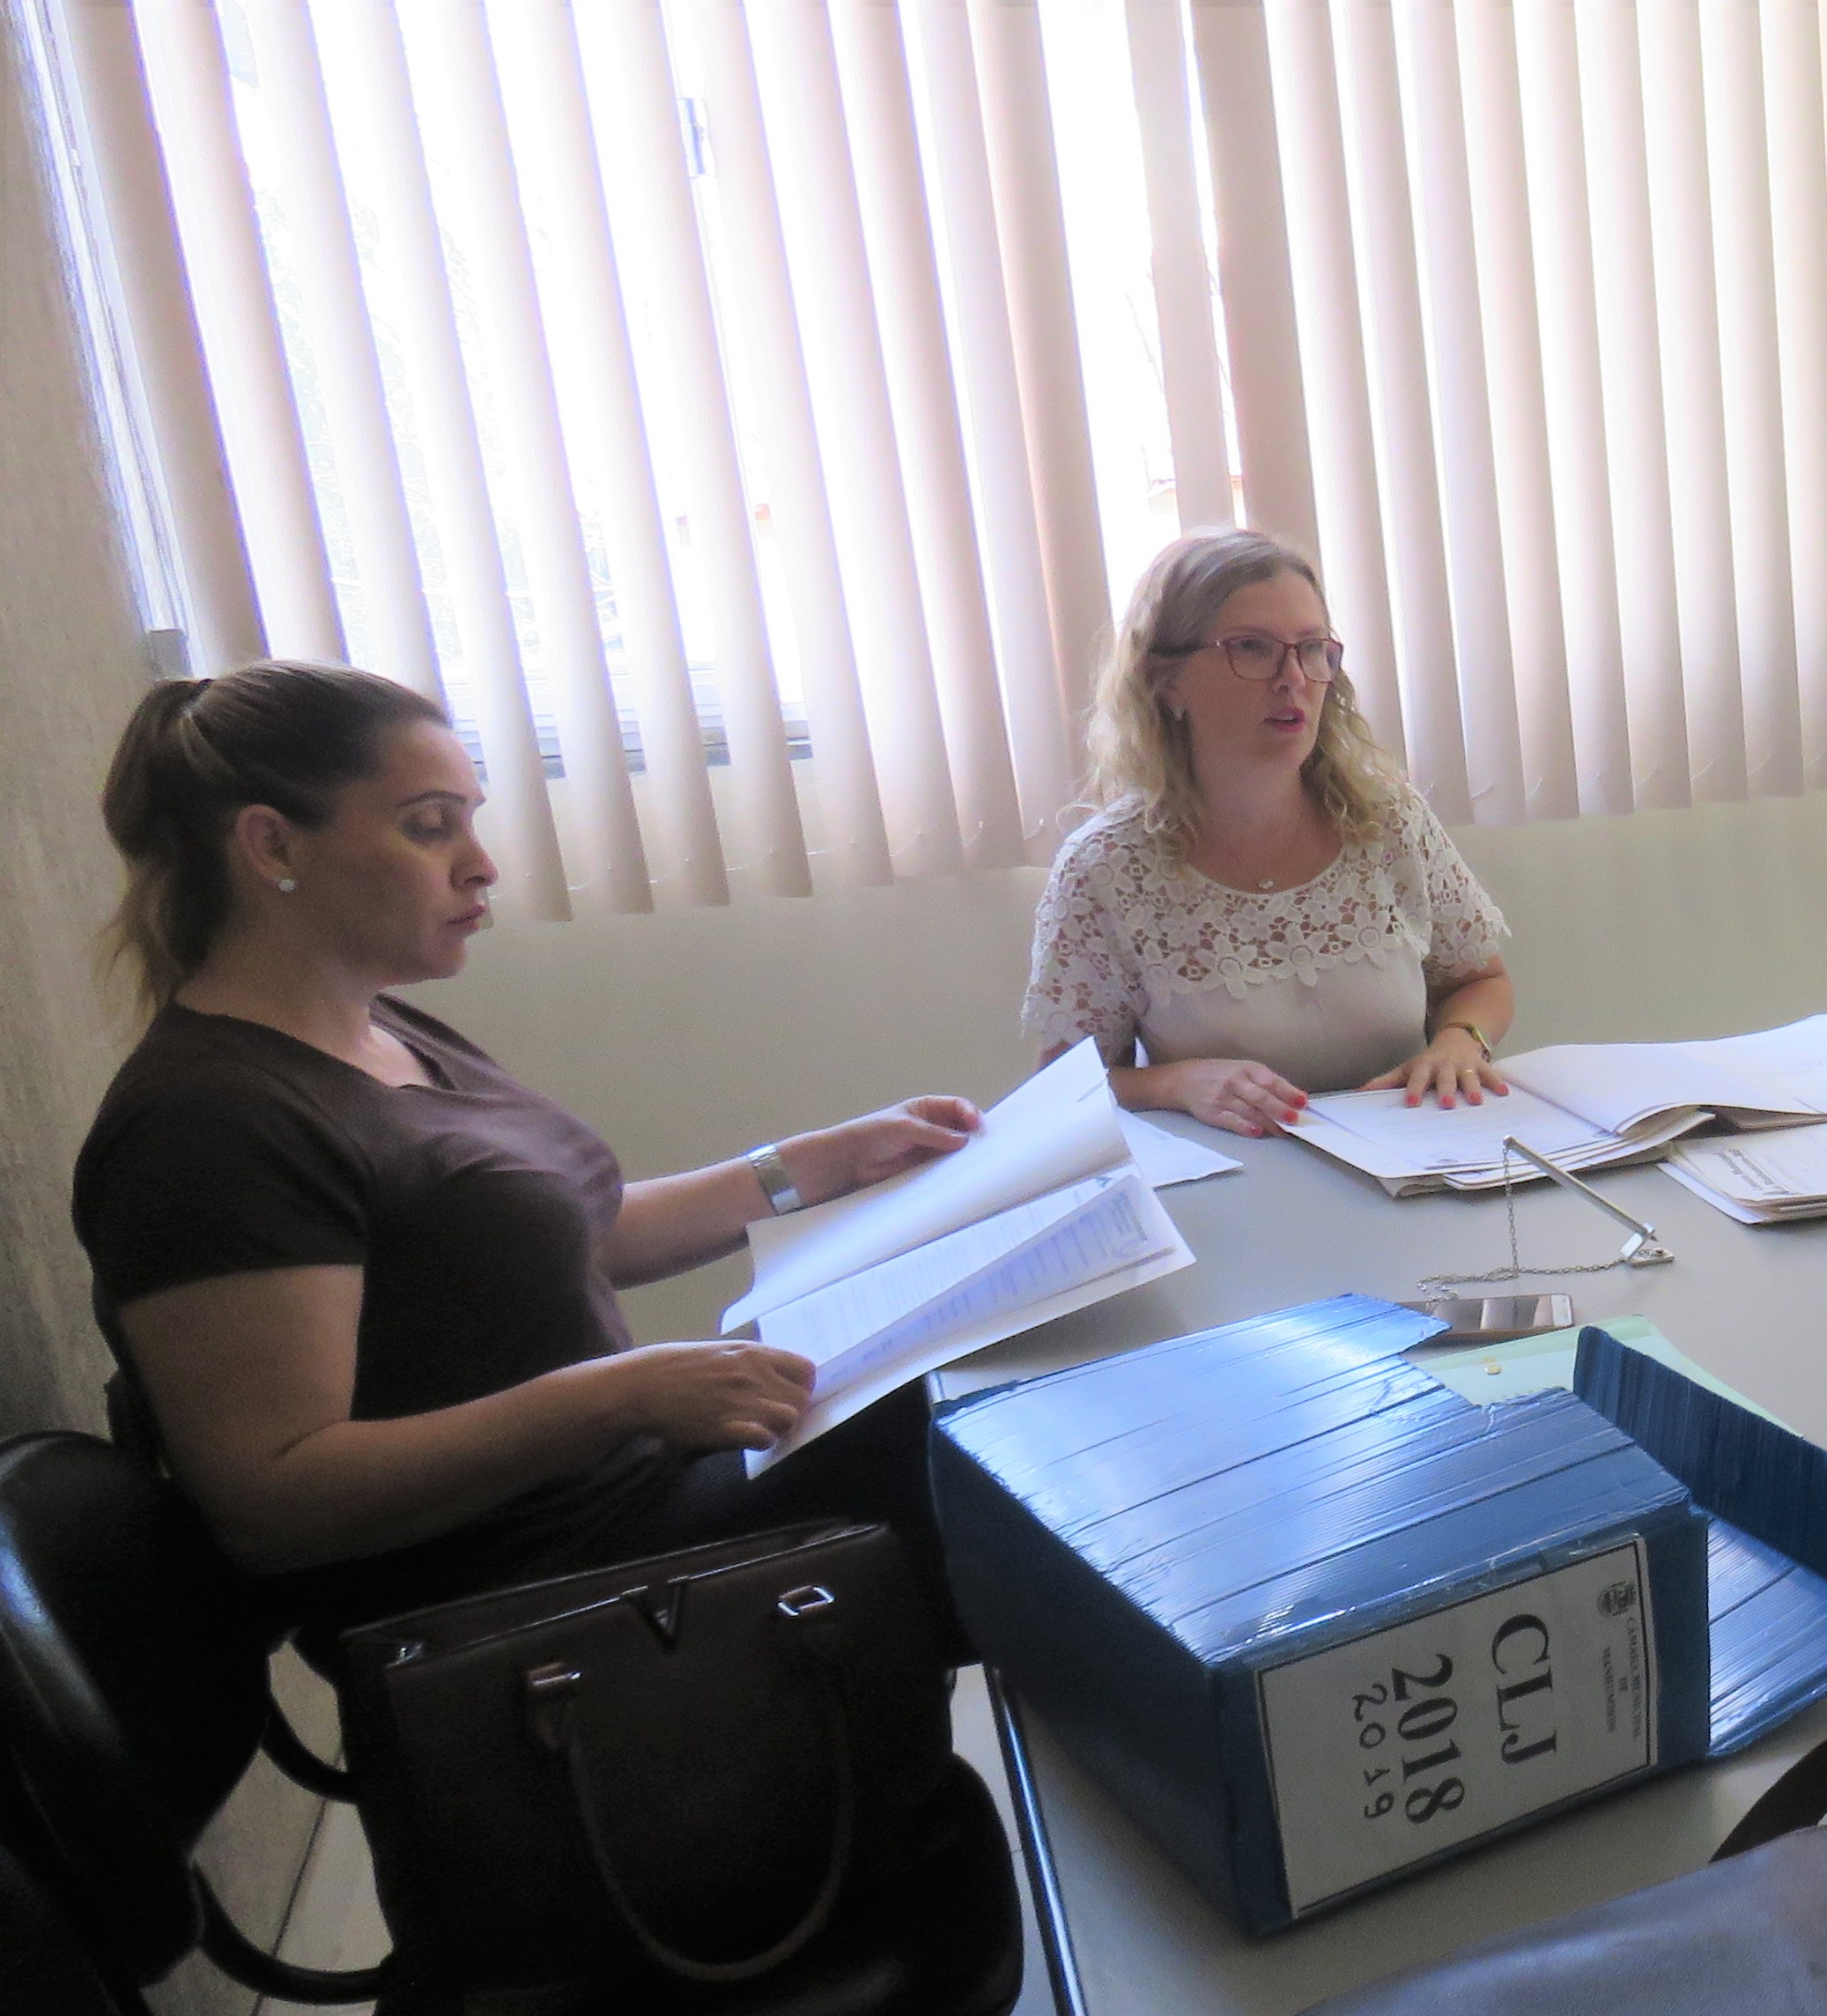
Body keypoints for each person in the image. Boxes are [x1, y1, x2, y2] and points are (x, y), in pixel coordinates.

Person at [70, 663, 982, 1641]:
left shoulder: (381, 1033)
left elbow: (552, 1241)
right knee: (983, 1451)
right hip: (538, 1602)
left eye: (471, 818)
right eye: (429, 825)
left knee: (980, 1394)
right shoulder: (209, 1126)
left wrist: (814, 1165)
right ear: (271, 843)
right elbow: (272, 1502)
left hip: (634, 1508)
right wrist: (617, 1396)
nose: (482, 863)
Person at [1024, 529, 1516, 1135]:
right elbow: (1065, 1085)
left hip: (1413, 1160)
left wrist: (1461, 1042)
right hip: (1235, 1183)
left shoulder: (1387, 818)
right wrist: (1174, 1082)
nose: (1293, 678)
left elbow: (1479, 980)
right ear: (1166, 680)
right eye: (1252, 648)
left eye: (1312, 649)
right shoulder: (1106, 867)